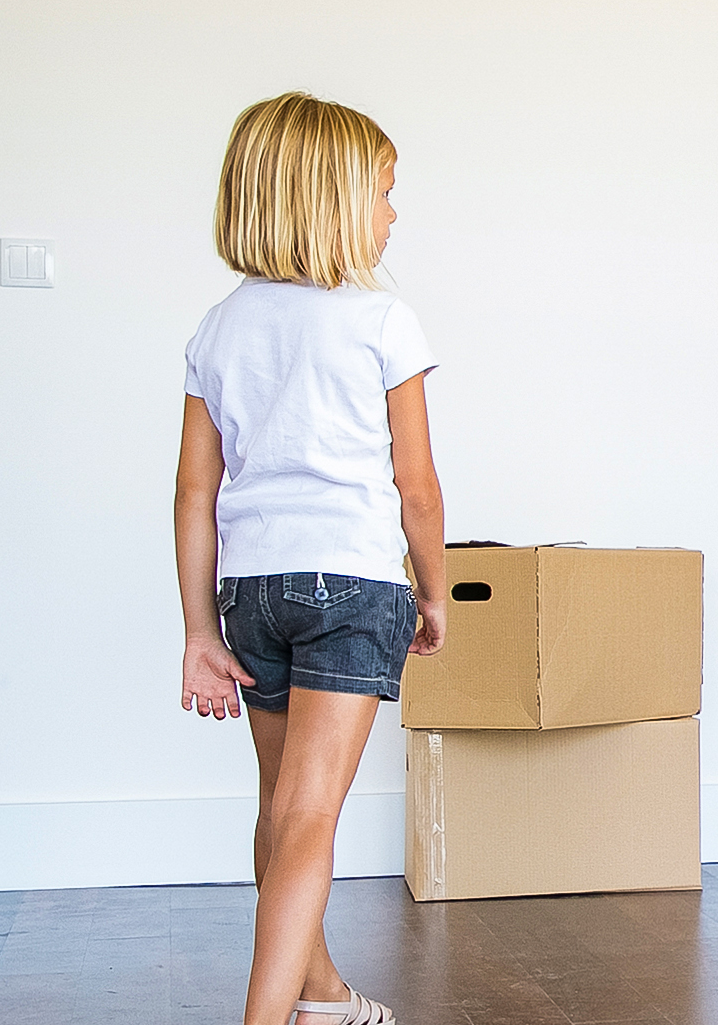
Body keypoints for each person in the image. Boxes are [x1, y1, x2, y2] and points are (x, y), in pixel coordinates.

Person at [175, 92, 449, 1025]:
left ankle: (322, 993)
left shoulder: (220, 328)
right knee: (311, 814)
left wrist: (197, 632)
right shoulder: (381, 320)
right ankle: (266, 1020)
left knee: (282, 808)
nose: (392, 215)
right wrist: (436, 589)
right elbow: (416, 487)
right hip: (351, 587)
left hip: (251, 594)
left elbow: (193, 495)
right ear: (332, 202)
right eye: (383, 192)